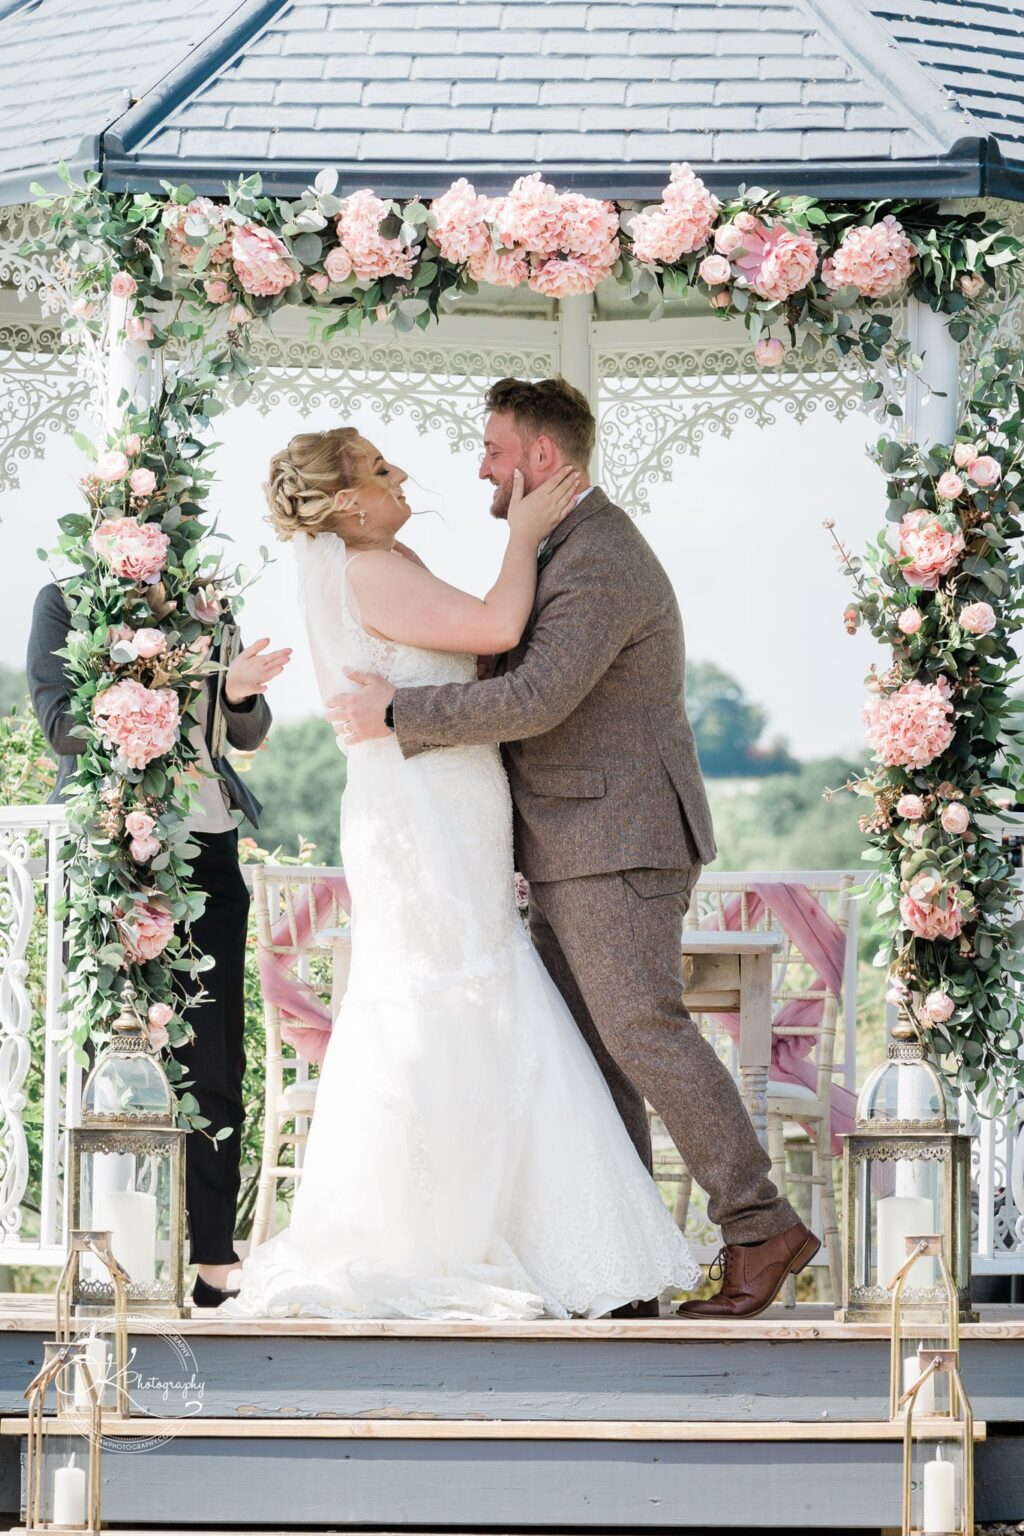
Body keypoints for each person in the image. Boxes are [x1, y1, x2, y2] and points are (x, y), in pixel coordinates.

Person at [329, 377, 820, 1321]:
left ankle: (760, 1227)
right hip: (567, 837)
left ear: (540, 459)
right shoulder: (557, 547)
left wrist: (397, 710)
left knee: (643, 1034)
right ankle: (624, 1270)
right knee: (595, 1058)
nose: (479, 465)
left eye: (492, 449)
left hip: (618, 836)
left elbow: (535, 698)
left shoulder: (602, 555)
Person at [223, 427, 701, 1321]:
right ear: (347, 502)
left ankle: (519, 1225)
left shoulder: (375, 561)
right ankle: (467, 1232)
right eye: (378, 468)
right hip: (428, 805)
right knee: (462, 989)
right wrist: (521, 539)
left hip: (439, 794)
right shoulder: (370, 572)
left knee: (473, 988)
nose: (402, 474)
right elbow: (497, 628)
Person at [27, 579, 290, 1308]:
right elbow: (58, 725)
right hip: (108, 843)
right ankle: (103, 1258)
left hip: (206, 844)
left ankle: (214, 1260)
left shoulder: (208, 606)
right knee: (102, 1053)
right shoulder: (66, 602)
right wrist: (162, 698)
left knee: (212, 1052)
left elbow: (248, 730)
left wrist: (234, 693)